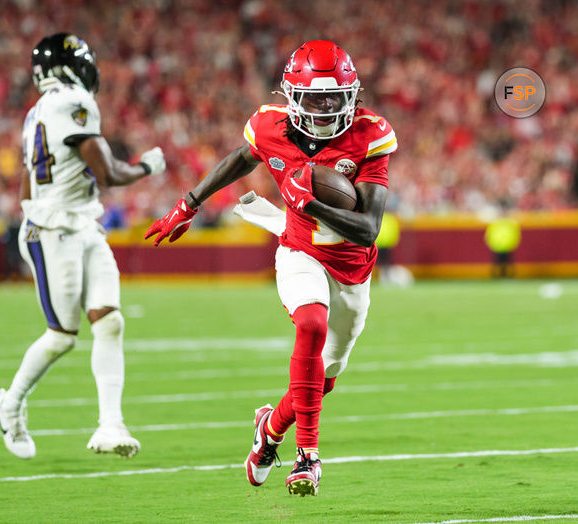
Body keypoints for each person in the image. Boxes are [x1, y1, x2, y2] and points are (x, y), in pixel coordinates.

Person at [146, 40, 396, 496]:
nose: (324, 109)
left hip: (352, 268)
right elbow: (239, 160)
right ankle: (308, 458)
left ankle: (270, 428)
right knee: (311, 323)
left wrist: (313, 202)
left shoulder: (370, 133)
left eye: (334, 98)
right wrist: (188, 205)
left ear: (352, 96)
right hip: (298, 247)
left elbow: (368, 229)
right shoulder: (268, 125)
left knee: (324, 379)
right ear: (292, 97)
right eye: (315, 98)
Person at [0, 33, 166, 460]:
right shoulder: (73, 101)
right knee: (62, 335)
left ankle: (111, 425)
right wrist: (147, 165)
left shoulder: (38, 110)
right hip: (55, 230)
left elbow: (28, 176)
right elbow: (106, 172)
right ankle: (11, 405)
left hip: (80, 224)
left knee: (110, 322)